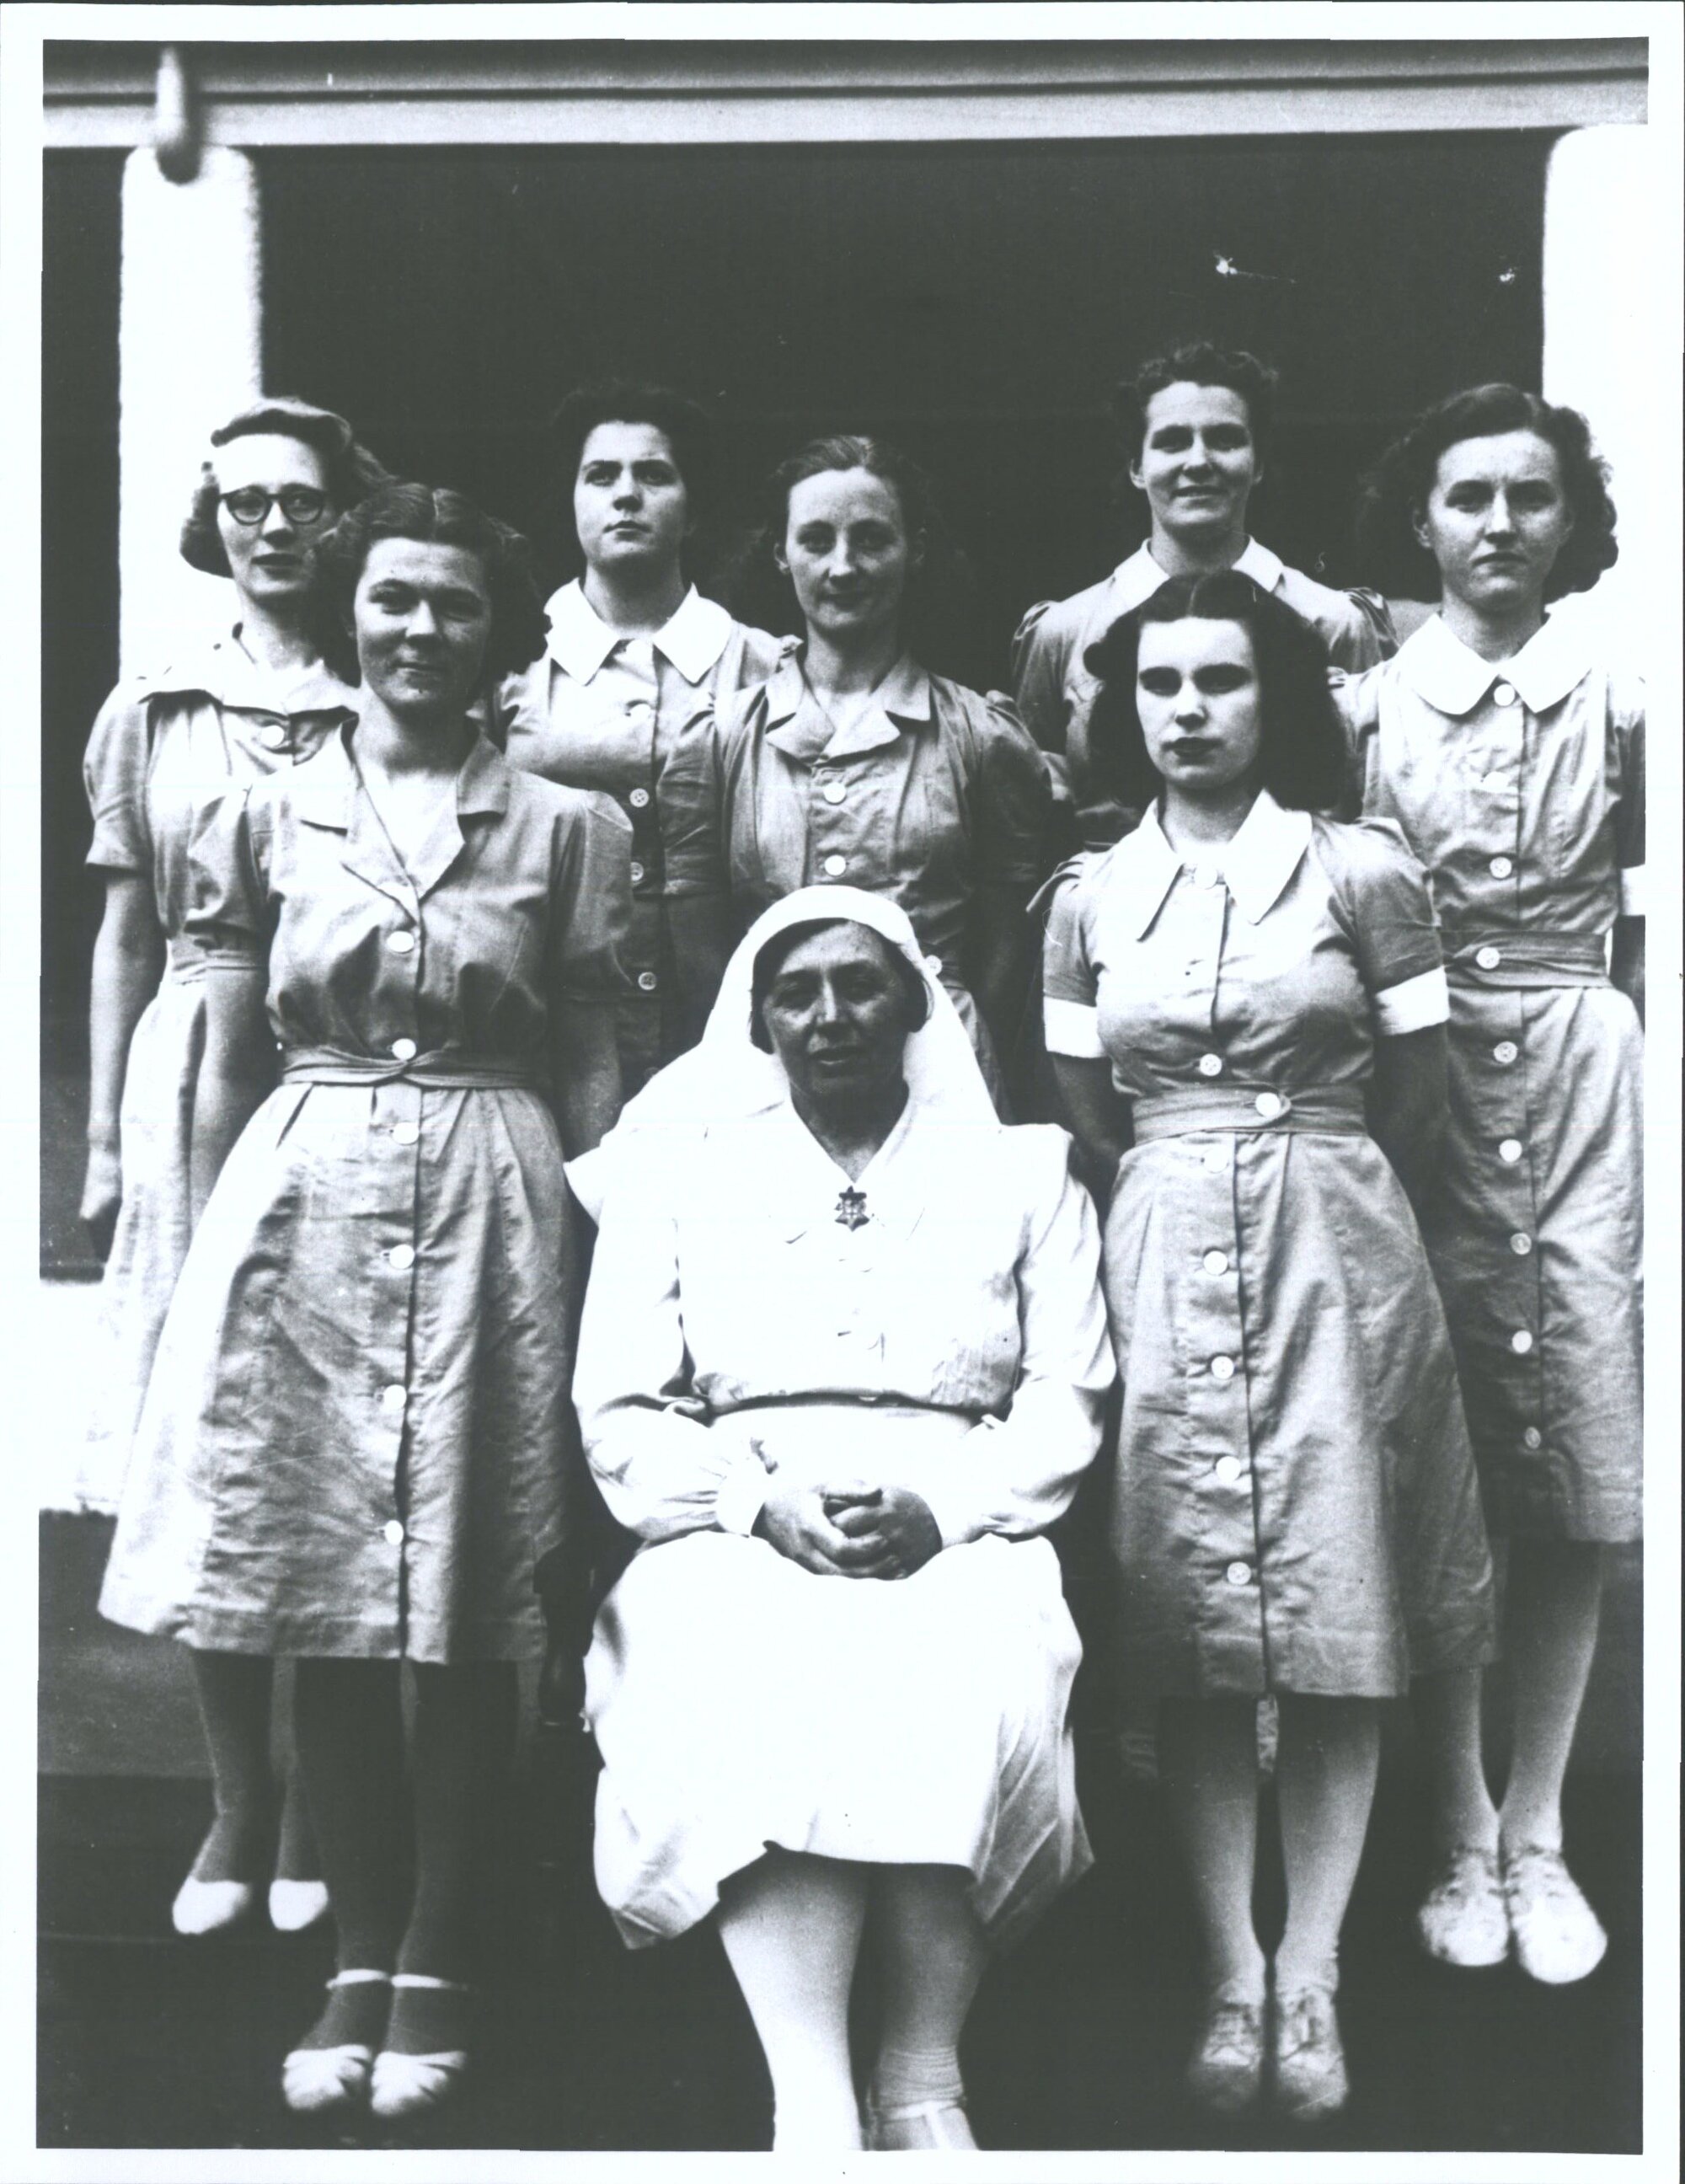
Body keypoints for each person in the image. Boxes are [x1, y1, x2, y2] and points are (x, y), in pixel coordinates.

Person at [99, 483, 629, 2120]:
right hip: (305, 1191)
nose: (418, 630)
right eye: (392, 600)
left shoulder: (565, 827)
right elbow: (228, 1056)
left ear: (495, 632)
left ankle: (442, 1947)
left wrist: (604, 1276)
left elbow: (597, 1069)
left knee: (468, 1594)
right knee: (325, 1597)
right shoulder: (260, 814)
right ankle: (357, 1947)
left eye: (454, 604)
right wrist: (202, 1260)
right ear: (350, 616)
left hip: (494, 1186)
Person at [1043, 571, 1493, 2121]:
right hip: (1164, 1248)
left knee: (1335, 1602)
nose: (1187, 710)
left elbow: (1426, 1091)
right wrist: (1174, 1196)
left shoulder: (1362, 874)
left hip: (1334, 1249)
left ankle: (1315, 1975)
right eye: (1159, 683)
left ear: (1272, 700)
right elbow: (1086, 1110)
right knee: (1193, 1617)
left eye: (1219, 681)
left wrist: (1333, 1211)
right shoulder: (1089, 895)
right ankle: (1228, 1973)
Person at [570, 887, 1114, 2153]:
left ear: (919, 1005)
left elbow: (1065, 1397)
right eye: (796, 992)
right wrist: (756, 1505)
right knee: (745, 1657)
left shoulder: (1026, 1172)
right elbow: (622, 1408)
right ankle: (811, 2095)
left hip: (964, 1513)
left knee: (977, 1653)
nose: (829, 1017)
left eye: (862, 986)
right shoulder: (678, 1178)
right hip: (734, 1513)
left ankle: (924, 2079)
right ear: (757, 1022)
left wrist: (953, 1508)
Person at [1339, 383, 1642, 1988]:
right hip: (1427, 1075)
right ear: (1425, 521)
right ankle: (1458, 1826)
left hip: (1587, 1074)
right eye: (1469, 498)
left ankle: (1544, 1830)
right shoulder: (1372, 704)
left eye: (1531, 498)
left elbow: (1651, 908)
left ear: (1569, 521)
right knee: (1443, 1443)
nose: (1500, 526)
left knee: (1582, 1441)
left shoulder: (1624, 692)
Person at [80, 395, 389, 1936]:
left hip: (334, 1055)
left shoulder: (393, 678)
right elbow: (127, 927)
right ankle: (236, 1797)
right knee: (210, 1433)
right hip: (194, 1068)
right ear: (216, 518)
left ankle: (328, 1802)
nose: (278, 526)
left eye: (307, 502)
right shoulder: (160, 702)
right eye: (250, 501)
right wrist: (94, 1146)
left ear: (348, 515)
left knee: (324, 1427)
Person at [661, 434, 1052, 1107]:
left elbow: (1006, 952)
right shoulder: (720, 739)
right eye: (816, 540)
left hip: (941, 1075)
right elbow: (702, 956)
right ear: (781, 554)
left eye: (872, 539)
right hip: (768, 1071)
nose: (844, 566)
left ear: (915, 551)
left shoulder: (983, 738)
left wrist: (942, 1039)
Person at [493, 382, 790, 1092]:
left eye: (654, 475)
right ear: (571, 502)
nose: (627, 495)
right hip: (554, 1032)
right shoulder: (508, 671)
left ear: (692, 508)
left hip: (723, 1032)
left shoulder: (770, 665)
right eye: (602, 476)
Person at [1013, 342, 1396, 848]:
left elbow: (1362, 798)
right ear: (1136, 467)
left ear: (1258, 464)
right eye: (1172, 441)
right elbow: (1031, 810)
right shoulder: (1064, 631)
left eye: (1224, 439)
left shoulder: (1333, 621)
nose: (1199, 461)